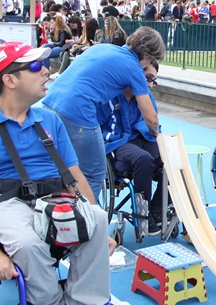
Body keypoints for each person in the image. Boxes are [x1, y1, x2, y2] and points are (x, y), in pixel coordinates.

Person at [0, 41, 119, 305]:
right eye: (37, 67)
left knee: (97, 218)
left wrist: (95, 224)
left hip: (52, 197)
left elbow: (75, 177)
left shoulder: (50, 120)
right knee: (26, 242)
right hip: (1, 200)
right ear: (10, 80)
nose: (48, 72)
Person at [42, 27, 165, 199]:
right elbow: (150, 118)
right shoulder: (134, 68)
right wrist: (159, 136)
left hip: (50, 102)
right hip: (78, 112)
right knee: (94, 174)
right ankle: (88, 220)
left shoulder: (103, 48)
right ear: (147, 56)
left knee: (62, 166)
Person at [100, 61, 166, 234]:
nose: (151, 84)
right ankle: (143, 212)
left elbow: (153, 124)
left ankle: (158, 208)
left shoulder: (146, 95)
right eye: (148, 78)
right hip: (117, 143)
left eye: (154, 80)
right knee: (142, 159)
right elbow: (97, 127)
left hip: (140, 138)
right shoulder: (109, 96)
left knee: (170, 157)